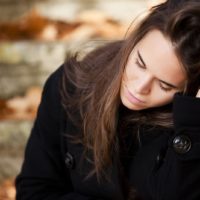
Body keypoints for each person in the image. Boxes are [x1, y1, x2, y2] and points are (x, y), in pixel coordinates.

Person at [15, 0, 200, 199]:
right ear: (135, 40)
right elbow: (33, 192)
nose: (139, 88)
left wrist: (191, 129)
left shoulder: (189, 123)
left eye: (165, 85)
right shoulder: (71, 87)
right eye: (139, 63)